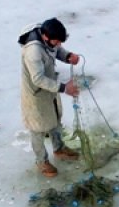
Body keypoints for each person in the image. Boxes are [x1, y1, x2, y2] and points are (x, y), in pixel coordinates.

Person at [18, 17, 81, 177]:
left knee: (54, 120)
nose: (59, 44)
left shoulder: (48, 36)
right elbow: (38, 79)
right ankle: (41, 161)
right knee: (37, 129)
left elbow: (56, 49)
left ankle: (59, 149)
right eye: (56, 41)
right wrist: (64, 88)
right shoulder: (33, 52)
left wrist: (68, 56)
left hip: (50, 89)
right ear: (45, 37)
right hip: (36, 95)